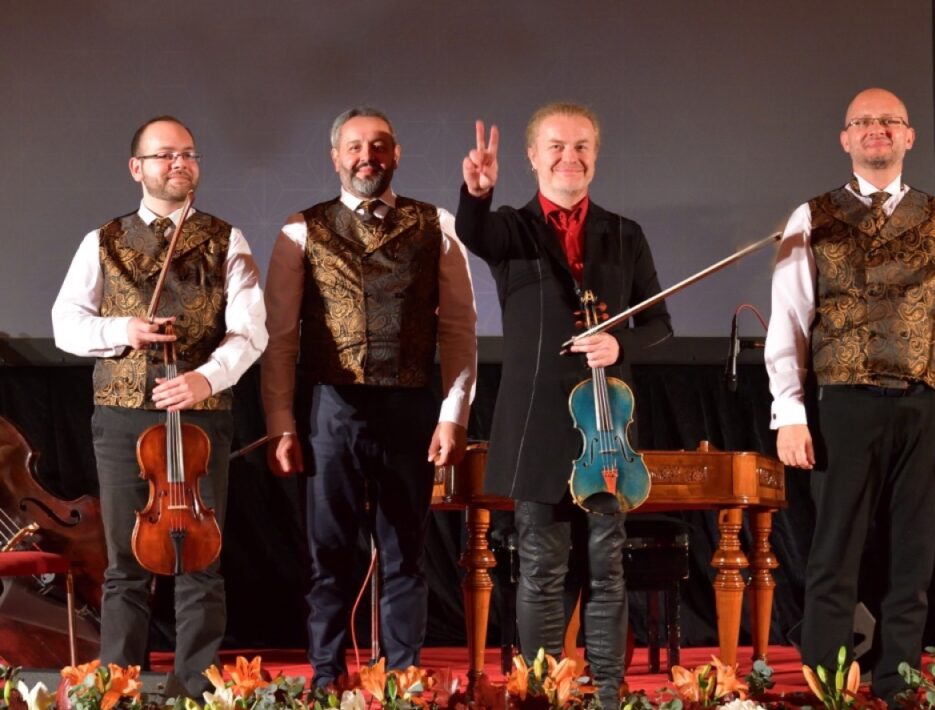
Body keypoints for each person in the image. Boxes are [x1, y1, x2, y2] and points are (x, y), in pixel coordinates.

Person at [764, 88, 935, 703]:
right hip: (843, 403)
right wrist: (789, 411)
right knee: (834, 551)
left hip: (924, 405)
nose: (877, 130)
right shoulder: (811, 217)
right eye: (863, 122)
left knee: (913, 557)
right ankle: (828, 685)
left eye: (889, 121)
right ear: (845, 138)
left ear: (909, 136)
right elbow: (787, 322)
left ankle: (897, 683)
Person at [457, 102, 672, 707]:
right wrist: (476, 194)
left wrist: (618, 341)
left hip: (606, 431)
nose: (569, 157)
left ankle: (607, 693)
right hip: (537, 429)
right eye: (555, 146)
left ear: (595, 157)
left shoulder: (625, 234)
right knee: (542, 573)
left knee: (608, 572)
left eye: (581, 146)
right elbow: (473, 232)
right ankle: (543, 695)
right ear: (532, 157)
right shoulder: (510, 229)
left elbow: (659, 324)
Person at [260, 106, 477, 685]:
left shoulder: (438, 224)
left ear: (396, 154)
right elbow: (280, 338)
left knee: (407, 555)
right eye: (354, 147)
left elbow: (459, 328)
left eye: (379, 146)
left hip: (411, 408)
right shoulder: (300, 230)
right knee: (329, 555)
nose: (367, 157)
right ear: (335, 157)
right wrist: (281, 423)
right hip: (333, 410)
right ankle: (327, 677)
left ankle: (403, 679)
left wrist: (452, 415)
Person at [51, 116, 267, 696]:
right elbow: (65, 324)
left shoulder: (228, 239)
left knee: (200, 558)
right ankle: (119, 684)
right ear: (137, 168)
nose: (180, 164)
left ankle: (194, 687)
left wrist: (204, 378)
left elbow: (250, 332)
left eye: (189, 155)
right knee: (125, 562)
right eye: (166, 155)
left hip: (200, 414)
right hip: (123, 414)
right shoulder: (102, 240)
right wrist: (125, 328)